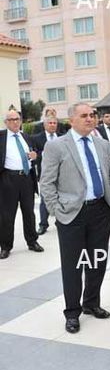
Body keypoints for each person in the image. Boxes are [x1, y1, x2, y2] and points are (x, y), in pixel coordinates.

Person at [40, 103, 110, 333]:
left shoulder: (102, 144)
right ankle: (72, 313)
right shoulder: (57, 146)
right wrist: (57, 210)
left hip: (101, 210)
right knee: (73, 266)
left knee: (97, 261)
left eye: (92, 115)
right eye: (84, 115)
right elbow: (46, 183)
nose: (90, 119)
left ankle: (91, 303)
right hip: (72, 214)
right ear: (71, 121)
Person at [0, 110, 44, 259]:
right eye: (11, 119)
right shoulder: (1, 137)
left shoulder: (26, 137)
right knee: (7, 215)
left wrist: (35, 156)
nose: (15, 122)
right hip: (8, 179)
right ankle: (5, 246)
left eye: (17, 119)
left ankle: (32, 241)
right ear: (6, 122)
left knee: (29, 213)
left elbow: (36, 153)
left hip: (26, 179)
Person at [31, 115, 62, 235]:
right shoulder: (37, 138)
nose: (53, 125)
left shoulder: (62, 137)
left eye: (55, 123)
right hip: (46, 174)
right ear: (44, 125)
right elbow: (34, 155)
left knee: (62, 198)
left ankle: (60, 221)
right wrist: (44, 154)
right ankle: (43, 224)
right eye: (50, 123)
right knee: (45, 200)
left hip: (62, 174)